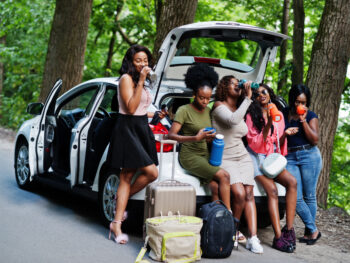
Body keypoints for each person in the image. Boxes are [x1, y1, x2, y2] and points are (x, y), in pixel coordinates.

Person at [107, 45, 160, 244]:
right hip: (127, 128)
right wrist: (143, 81)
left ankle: (119, 207)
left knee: (147, 174)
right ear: (130, 61)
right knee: (129, 175)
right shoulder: (126, 79)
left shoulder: (140, 82)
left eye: (145, 60)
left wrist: (156, 115)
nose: (143, 64)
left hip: (141, 127)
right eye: (138, 60)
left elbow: (141, 108)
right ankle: (117, 222)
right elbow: (129, 108)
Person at [168, 63, 231, 211]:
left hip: (205, 154)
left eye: (208, 98)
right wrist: (195, 138)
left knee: (215, 187)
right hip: (189, 156)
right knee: (225, 176)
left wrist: (210, 138)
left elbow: (206, 136)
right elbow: (170, 135)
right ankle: (229, 214)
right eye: (202, 98)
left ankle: (217, 220)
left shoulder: (209, 111)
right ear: (194, 95)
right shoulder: (184, 110)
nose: (204, 102)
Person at [211, 76, 263, 253]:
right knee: (239, 194)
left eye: (238, 83)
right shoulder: (218, 106)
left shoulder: (240, 106)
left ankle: (253, 238)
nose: (238, 86)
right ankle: (233, 231)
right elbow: (233, 120)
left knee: (249, 193)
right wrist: (247, 99)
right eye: (234, 83)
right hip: (226, 157)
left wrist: (250, 97)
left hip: (242, 156)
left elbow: (243, 128)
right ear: (225, 87)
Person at [246, 84, 297, 253]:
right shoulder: (250, 116)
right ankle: (278, 237)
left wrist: (285, 134)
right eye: (257, 93)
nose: (261, 94)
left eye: (264, 91)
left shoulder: (278, 115)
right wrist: (267, 122)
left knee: (292, 182)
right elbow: (256, 143)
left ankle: (288, 230)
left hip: (271, 158)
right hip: (256, 158)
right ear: (253, 97)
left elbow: (278, 144)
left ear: (269, 93)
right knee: (272, 191)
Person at [281, 84, 322, 245]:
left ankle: (309, 233)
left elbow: (315, 139)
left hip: (309, 155)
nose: (301, 106)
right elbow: (278, 136)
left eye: (304, 103)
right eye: (297, 102)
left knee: (309, 196)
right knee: (295, 197)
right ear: (292, 100)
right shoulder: (284, 113)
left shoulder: (311, 116)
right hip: (290, 156)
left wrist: (303, 121)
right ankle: (313, 230)